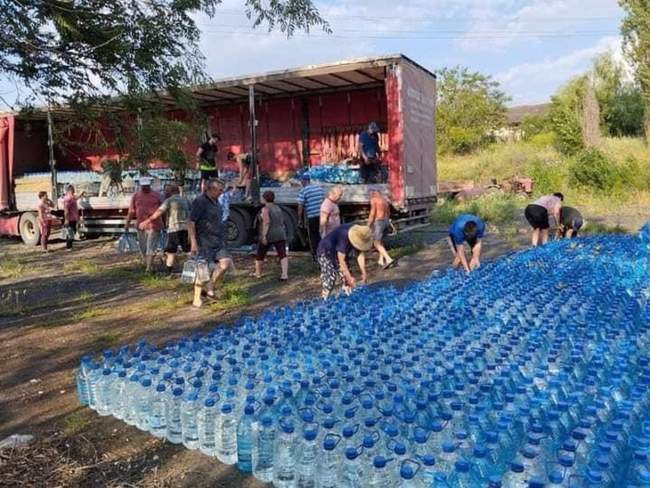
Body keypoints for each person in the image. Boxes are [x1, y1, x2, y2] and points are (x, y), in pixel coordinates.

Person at [188, 178, 234, 308]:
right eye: (220, 190)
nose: (221, 192)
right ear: (212, 189)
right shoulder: (200, 201)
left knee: (225, 263)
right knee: (203, 269)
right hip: (204, 241)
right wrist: (193, 242)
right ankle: (197, 299)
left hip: (218, 241)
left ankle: (210, 287)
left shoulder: (216, 202)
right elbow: (191, 222)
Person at [138, 183, 190, 276]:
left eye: (168, 191)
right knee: (188, 250)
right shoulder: (186, 200)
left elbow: (159, 212)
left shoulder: (169, 201)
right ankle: (192, 270)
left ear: (172, 192)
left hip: (174, 228)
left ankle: (170, 272)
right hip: (186, 229)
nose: (166, 193)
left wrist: (147, 221)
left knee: (171, 252)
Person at [316, 224, 373, 299]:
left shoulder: (359, 233)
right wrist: (349, 278)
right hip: (325, 251)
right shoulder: (344, 236)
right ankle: (323, 301)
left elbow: (360, 254)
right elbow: (341, 261)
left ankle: (348, 297)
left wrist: (364, 273)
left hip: (338, 252)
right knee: (330, 278)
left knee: (346, 279)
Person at [125, 177, 163, 273]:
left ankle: (148, 268)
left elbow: (162, 210)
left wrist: (165, 223)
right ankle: (149, 265)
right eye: (143, 186)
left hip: (154, 225)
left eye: (146, 186)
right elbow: (131, 211)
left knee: (151, 246)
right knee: (143, 248)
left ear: (149, 185)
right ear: (140, 185)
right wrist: (127, 223)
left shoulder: (157, 195)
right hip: (141, 226)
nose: (145, 187)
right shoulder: (136, 196)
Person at [254, 191, 289, 281]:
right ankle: (284, 274)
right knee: (282, 254)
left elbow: (266, 223)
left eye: (262, 197)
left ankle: (258, 273)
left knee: (260, 253)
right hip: (280, 233)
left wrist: (264, 236)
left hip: (270, 233)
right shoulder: (278, 208)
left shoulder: (265, 209)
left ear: (265, 199)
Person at [297, 174, 325, 258]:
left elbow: (300, 206)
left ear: (304, 181)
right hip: (321, 216)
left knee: (313, 236)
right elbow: (323, 201)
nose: (301, 183)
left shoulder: (303, 191)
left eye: (301, 181)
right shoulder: (319, 189)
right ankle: (323, 251)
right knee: (321, 234)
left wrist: (299, 219)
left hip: (312, 217)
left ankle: (316, 254)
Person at [367, 189, 394, 269]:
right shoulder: (385, 200)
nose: (370, 197)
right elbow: (389, 213)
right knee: (381, 241)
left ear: (374, 194)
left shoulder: (374, 200)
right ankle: (381, 260)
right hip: (386, 221)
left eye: (371, 195)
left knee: (376, 243)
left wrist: (368, 225)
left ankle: (388, 259)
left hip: (379, 221)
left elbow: (372, 213)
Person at [63, 185, 84, 251]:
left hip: (74, 218)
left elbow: (77, 197)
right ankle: (68, 247)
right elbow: (66, 210)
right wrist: (66, 219)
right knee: (70, 232)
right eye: (73, 190)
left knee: (73, 231)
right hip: (70, 218)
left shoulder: (72, 197)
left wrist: (81, 193)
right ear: (69, 190)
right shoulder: (68, 199)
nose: (74, 191)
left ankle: (70, 246)